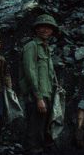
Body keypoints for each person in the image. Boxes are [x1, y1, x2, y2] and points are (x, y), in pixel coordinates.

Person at [19, 14, 60, 154]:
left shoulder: (46, 48)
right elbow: (30, 73)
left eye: (48, 28)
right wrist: (39, 98)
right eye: (41, 27)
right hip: (36, 97)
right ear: (36, 29)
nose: (45, 30)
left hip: (46, 95)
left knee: (43, 131)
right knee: (34, 133)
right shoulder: (31, 46)